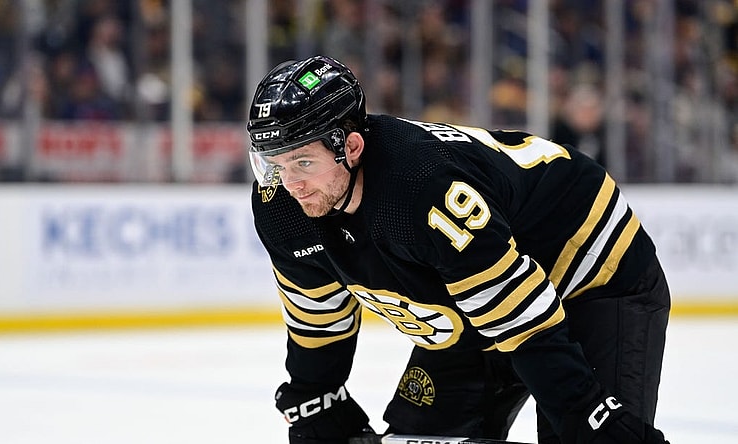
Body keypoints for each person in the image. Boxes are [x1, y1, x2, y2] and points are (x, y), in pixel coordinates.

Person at [247, 55, 670, 444]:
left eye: (303, 162)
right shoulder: (280, 206)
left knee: (589, 433)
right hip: (479, 297)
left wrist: (583, 411)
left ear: (351, 147)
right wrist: (314, 397)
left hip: (589, 270)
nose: (290, 184)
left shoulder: (421, 187)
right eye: (275, 163)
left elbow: (516, 316)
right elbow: (316, 316)